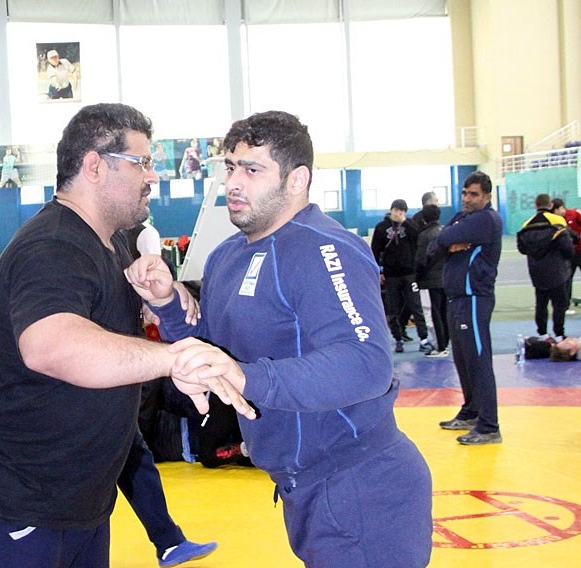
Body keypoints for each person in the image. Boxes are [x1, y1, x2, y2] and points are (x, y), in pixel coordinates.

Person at [0, 103, 250, 568]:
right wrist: (172, 359)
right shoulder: (52, 246)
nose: (153, 176)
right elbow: (51, 346)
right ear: (95, 166)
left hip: (80, 502)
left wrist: (166, 299)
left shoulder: (112, 243)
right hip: (16, 502)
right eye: (142, 162)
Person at [126, 111, 433, 567]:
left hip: (360, 486)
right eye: (231, 167)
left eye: (252, 170)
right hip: (301, 487)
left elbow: (367, 363)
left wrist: (248, 377)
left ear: (297, 180)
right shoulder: (226, 257)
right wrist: (168, 303)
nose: (234, 183)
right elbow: (217, 354)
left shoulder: (324, 248)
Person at [433, 171, 503, 445]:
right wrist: (448, 242)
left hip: (474, 298)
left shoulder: (486, 219)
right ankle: (472, 410)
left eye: (474, 194)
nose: (467, 198)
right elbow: (436, 245)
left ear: (487, 196)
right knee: (463, 359)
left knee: (478, 359)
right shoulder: (462, 218)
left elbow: (444, 237)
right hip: (457, 298)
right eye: (464, 193)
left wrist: (448, 240)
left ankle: (489, 425)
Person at [370, 199, 431, 353]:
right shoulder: (381, 228)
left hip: (409, 273)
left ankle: (423, 338)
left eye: (402, 211)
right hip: (391, 275)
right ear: (391, 210)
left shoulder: (410, 225)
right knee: (392, 309)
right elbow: (375, 251)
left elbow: (418, 238)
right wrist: (378, 271)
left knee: (416, 306)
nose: (399, 213)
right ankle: (398, 338)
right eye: (397, 210)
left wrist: (404, 222)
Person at [517, 193, 574, 340]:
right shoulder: (558, 221)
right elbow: (567, 246)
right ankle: (559, 334)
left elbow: (522, 248)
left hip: (537, 271)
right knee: (559, 304)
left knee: (541, 304)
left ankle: (542, 334)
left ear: (535, 205)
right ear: (550, 205)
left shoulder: (526, 224)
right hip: (557, 270)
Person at [415, 204, 450, 357]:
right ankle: (445, 343)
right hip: (446, 276)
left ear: (424, 218)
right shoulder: (445, 231)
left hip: (431, 279)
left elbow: (422, 260)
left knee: (434, 313)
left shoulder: (425, 235)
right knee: (444, 311)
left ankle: (440, 346)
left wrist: (418, 277)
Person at [550, 198, 581, 307]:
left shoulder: (575, 214)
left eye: (556, 210)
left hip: (580, 251)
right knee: (566, 279)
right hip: (568, 254)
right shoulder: (555, 219)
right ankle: (565, 305)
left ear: (561, 208)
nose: (555, 213)